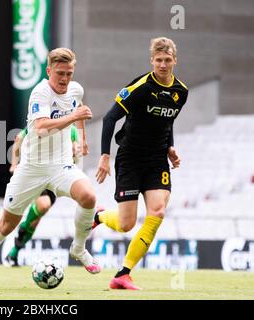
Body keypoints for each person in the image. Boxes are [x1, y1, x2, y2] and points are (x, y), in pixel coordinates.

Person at [0, 47, 100, 288]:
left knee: (89, 197)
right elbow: (41, 128)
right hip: (31, 168)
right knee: (6, 225)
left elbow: (77, 111)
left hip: (60, 165)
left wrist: (82, 138)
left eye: (69, 73)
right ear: (49, 71)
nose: (65, 79)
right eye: (60, 73)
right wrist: (74, 117)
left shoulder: (75, 90)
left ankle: (79, 248)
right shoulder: (40, 93)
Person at [94, 37, 188, 290]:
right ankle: (100, 216)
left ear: (174, 60)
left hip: (157, 160)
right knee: (126, 224)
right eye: (158, 60)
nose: (163, 64)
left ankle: (123, 273)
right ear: (152, 61)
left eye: (167, 60)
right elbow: (109, 119)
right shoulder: (141, 87)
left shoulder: (181, 92)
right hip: (130, 158)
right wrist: (105, 155)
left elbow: (167, 122)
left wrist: (170, 147)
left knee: (157, 212)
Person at [4, 125, 85, 266]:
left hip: (56, 176)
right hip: (38, 173)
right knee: (44, 204)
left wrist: (76, 151)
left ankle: (14, 253)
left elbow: (77, 151)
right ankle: (22, 225)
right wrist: (14, 164)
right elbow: (19, 138)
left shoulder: (71, 130)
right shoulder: (43, 121)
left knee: (34, 222)